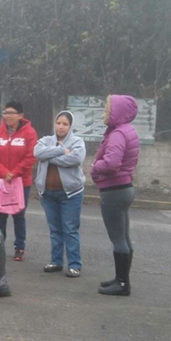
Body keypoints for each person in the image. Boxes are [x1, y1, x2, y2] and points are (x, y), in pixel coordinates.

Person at [91, 94, 139, 296]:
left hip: (114, 190)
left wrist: (95, 166)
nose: (104, 112)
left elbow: (111, 163)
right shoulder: (127, 130)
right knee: (124, 237)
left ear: (116, 112)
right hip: (124, 188)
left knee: (118, 238)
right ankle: (121, 279)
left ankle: (122, 284)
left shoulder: (118, 133)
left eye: (107, 109)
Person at [34, 111, 86, 277]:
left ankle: (74, 265)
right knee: (55, 230)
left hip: (71, 194)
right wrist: (62, 150)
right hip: (48, 193)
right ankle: (56, 262)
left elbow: (76, 159)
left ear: (70, 126)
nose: (61, 127)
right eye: (58, 123)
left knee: (70, 229)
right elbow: (37, 153)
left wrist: (49, 157)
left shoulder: (77, 142)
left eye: (65, 124)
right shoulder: (45, 140)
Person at [0, 100, 38, 261]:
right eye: (5, 113)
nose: (7, 116)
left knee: (18, 215)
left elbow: (31, 156)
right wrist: (4, 172)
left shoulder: (29, 133)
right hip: (1, 181)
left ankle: (19, 248)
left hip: (21, 182)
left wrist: (14, 173)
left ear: (20, 115)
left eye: (11, 113)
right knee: (0, 215)